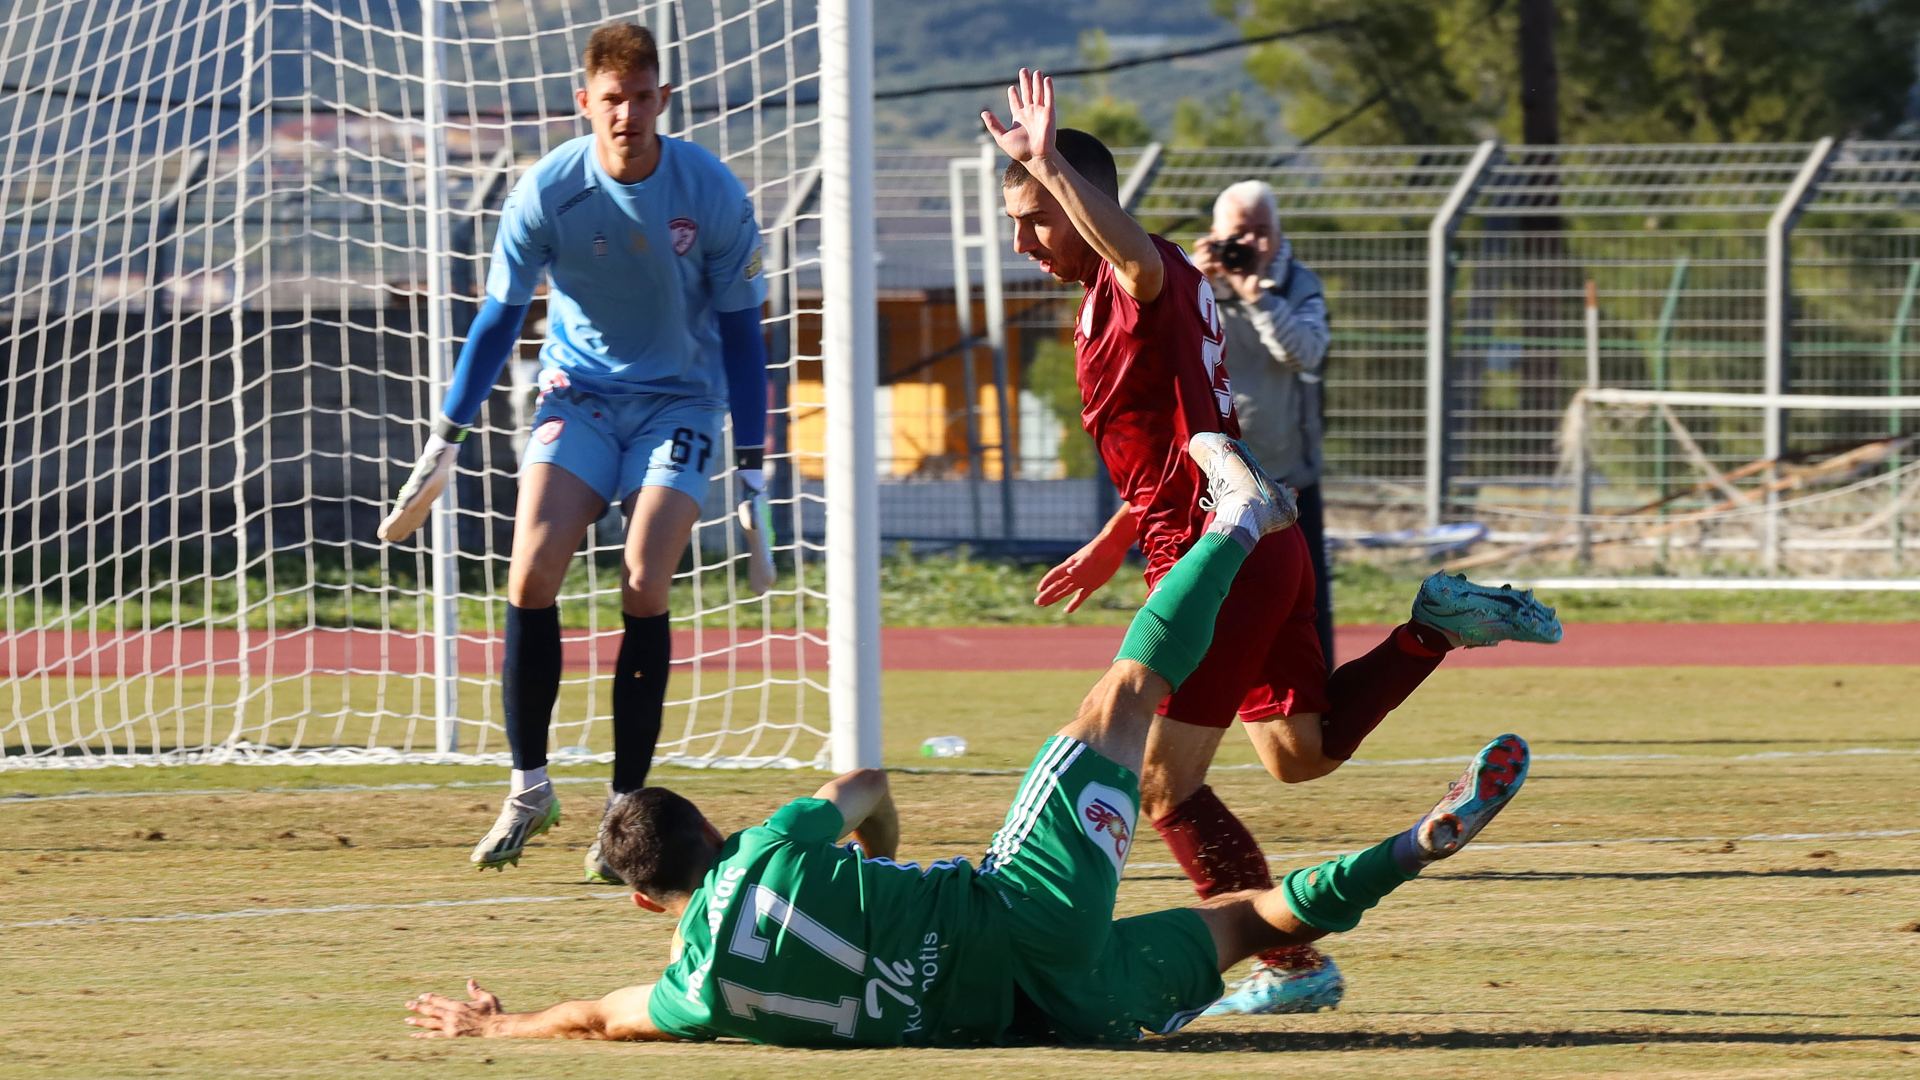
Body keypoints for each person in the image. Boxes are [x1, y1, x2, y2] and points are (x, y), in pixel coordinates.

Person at [403, 434, 1534, 1047]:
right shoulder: (779, 845)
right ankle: (1239, 515)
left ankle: (1415, 845)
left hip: (1061, 1014)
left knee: (1250, 923)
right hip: (1017, 909)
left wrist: (501, 1025)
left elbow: (603, 1014)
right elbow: (862, 787)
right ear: (713, 824)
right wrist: (880, 842)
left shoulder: (696, 989)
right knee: (1121, 697)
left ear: (651, 905)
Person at [982, 69, 1561, 1015]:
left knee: (1166, 787)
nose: (1024, 240)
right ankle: (1433, 630)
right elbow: (1174, 446)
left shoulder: (1143, 277)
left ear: (1085, 205)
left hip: (1216, 558)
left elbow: (1128, 259)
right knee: (1299, 752)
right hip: (1258, 536)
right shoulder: (1113, 302)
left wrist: (1049, 161)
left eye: (1036, 217)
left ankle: (1293, 967)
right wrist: (1109, 539)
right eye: (1017, 220)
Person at [376, 22, 772, 881]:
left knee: (643, 577)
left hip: (679, 402)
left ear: (662, 100)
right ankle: (529, 788)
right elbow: (495, 319)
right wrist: (445, 437)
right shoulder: (548, 190)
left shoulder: (709, 191)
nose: (625, 113)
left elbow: (742, 327)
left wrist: (757, 462)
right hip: (578, 397)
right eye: (611, 98)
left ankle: (623, 812)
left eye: (640, 97)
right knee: (531, 571)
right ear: (583, 102)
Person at [1193, 180, 1335, 667]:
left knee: (1303, 608)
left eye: (1262, 231)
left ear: (1278, 234)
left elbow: (1307, 354)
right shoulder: (1195, 283)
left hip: (1289, 478)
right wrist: (1196, 279)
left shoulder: (1298, 285)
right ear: (1215, 235)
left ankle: (1316, 711)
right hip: (1216, 479)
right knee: (1212, 602)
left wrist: (1260, 299)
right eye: (1239, 233)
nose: (1251, 244)